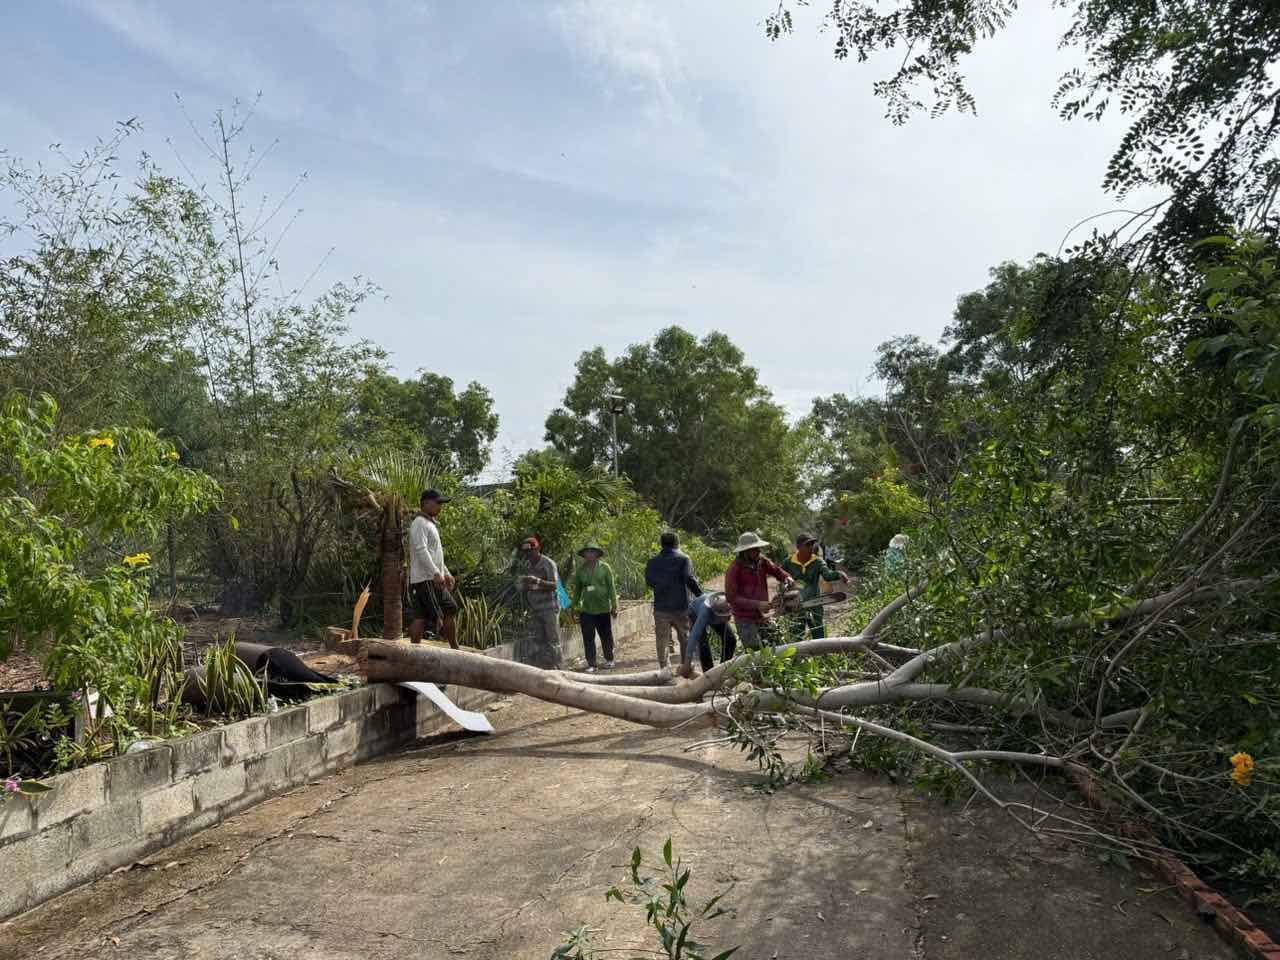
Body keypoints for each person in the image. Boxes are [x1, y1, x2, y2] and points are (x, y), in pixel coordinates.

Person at [724, 532, 794, 650]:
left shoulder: (762, 561)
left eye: (758, 548)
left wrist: (787, 578)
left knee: (776, 647)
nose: (758, 551)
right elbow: (732, 598)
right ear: (745, 551)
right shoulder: (734, 569)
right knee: (756, 653)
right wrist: (757, 604)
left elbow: (777, 571)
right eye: (754, 549)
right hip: (745, 619)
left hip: (763, 616)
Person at [408, 489, 459, 648]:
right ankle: (455, 648)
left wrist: (446, 573)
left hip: (426, 578)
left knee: (420, 617)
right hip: (427, 579)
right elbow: (420, 549)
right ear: (426, 503)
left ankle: (413, 652)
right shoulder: (419, 523)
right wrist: (436, 573)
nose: (440, 507)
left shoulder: (428, 523)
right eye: (438, 503)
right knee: (450, 609)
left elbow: (434, 554)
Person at [644, 531, 702, 670]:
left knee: (662, 640)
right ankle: (685, 666)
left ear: (661, 544)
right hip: (680, 606)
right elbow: (689, 578)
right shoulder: (684, 559)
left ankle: (665, 669)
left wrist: (662, 585)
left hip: (661, 607)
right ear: (677, 543)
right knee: (685, 638)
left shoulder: (652, 561)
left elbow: (649, 581)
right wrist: (699, 594)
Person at [781, 533, 850, 639]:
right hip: (796, 604)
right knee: (796, 634)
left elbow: (827, 575)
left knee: (818, 632)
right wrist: (784, 589)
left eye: (812, 544)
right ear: (798, 547)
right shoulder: (788, 562)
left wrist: (838, 574)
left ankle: (822, 654)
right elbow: (781, 577)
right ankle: (799, 655)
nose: (811, 547)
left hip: (814, 602)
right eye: (807, 545)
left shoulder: (818, 561)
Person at [569, 542, 618, 672]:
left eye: (592, 552)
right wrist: (573, 607)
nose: (589, 554)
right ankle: (592, 664)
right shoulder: (580, 570)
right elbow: (577, 591)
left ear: (597, 554)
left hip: (602, 608)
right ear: (584, 554)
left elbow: (611, 587)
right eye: (587, 552)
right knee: (588, 637)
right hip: (586, 609)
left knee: (606, 635)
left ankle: (609, 659)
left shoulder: (605, 568)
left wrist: (614, 605)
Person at [516, 536, 563, 669]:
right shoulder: (528, 564)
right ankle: (546, 667)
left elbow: (555, 585)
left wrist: (537, 581)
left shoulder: (548, 563)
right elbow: (527, 586)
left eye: (531, 551)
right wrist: (523, 585)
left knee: (553, 640)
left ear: (538, 549)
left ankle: (559, 668)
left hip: (549, 608)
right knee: (540, 639)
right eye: (526, 552)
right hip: (536, 608)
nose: (529, 554)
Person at [677, 591, 736, 678]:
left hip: (716, 613)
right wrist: (687, 664)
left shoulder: (727, 604)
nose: (727, 619)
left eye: (728, 616)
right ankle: (709, 675)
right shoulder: (705, 613)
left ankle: (723, 670)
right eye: (725, 617)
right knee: (703, 645)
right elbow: (693, 637)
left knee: (731, 640)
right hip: (695, 612)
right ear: (717, 614)